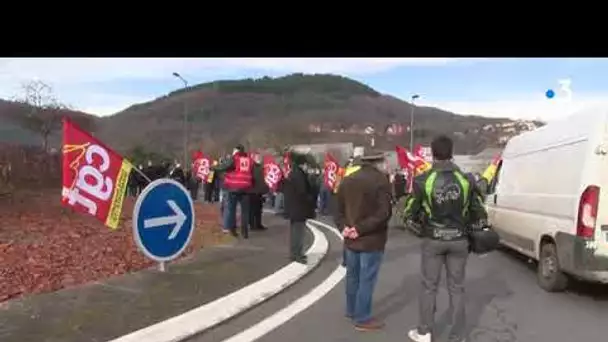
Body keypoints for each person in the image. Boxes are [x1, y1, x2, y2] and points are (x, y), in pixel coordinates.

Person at [403, 135, 488, 342]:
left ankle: (424, 333)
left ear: (433, 153)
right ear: (451, 152)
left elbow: (408, 214)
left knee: (429, 286)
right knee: (457, 288)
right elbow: (479, 212)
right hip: (459, 240)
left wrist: (421, 229)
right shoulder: (466, 180)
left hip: (433, 239)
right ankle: (458, 336)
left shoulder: (423, 180)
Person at [335, 152, 393, 332]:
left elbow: (337, 208)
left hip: (350, 238)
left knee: (353, 276)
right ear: (379, 162)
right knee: (366, 279)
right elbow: (384, 213)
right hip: (371, 239)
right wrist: (360, 229)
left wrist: (344, 227)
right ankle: (362, 318)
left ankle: (351, 310)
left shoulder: (348, 179)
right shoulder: (381, 181)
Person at [282, 152, 316, 264]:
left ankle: (294, 253)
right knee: (298, 232)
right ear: (303, 164)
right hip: (299, 208)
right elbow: (303, 192)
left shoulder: (293, 172)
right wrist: (311, 198)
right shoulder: (299, 174)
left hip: (293, 207)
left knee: (294, 232)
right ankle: (297, 254)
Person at [214, 145, 254, 238]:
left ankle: (233, 230)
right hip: (246, 188)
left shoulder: (234, 159)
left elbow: (223, 167)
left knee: (232, 210)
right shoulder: (249, 160)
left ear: (236, 151)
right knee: (245, 212)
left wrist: (213, 167)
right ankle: (245, 232)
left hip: (233, 187)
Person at [249, 154, 269, 231]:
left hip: (259, 191)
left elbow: (264, 180)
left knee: (259, 209)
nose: (259, 159)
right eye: (257, 158)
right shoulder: (251, 167)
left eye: (260, 158)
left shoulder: (262, 168)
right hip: (252, 191)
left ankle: (258, 224)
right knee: (252, 209)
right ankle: (252, 225)